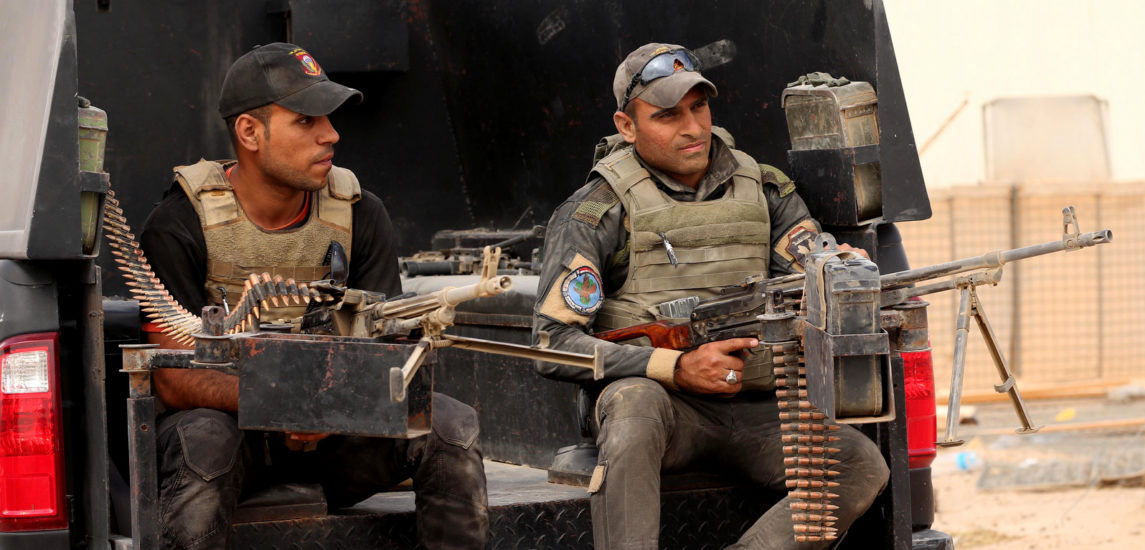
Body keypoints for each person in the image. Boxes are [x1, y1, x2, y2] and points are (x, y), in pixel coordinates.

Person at [531, 43, 889, 549]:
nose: (692, 128)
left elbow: (809, 272)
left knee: (857, 464)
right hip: (664, 411)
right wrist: (675, 367)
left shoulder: (765, 190)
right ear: (627, 126)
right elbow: (550, 342)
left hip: (756, 407)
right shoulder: (598, 210)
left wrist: (837, 278)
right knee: (633, 406)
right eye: (668, 115)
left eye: (699, 107)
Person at [139, 43, 488, 550]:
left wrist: (323, 407)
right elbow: (169, 376)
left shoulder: (359, 214)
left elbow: (389, 352)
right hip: (234, 438)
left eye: (327, 118)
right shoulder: (180, 223)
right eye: (306, 120)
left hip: (337, 437)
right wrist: (282, 402)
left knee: (451, 426)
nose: (331, 134)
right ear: (250, 132)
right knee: (203, 442)